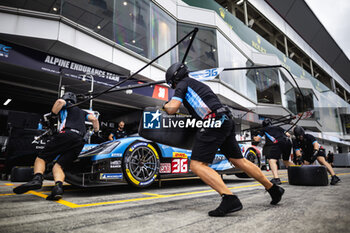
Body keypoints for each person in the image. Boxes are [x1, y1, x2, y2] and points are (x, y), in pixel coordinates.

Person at [163, 62, 284, 217]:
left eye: (172, 84)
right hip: (225, 119)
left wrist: (166, 105)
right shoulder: (198, 85)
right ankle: (273, 189)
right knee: (238, 161)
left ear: (175, 78)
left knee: (197, 165)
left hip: (213, 120)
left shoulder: (183, 84)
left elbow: (172, 108)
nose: (173, 86)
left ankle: (229, 198)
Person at [13, 92, 99, 200]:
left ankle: (37, 179)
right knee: (58, 166)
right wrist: (96, 131)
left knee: (41, 158)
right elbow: (94, 119)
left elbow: (60, 102)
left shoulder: (67, 104)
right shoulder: (82, 112)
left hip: (67, 134)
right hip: (79, 141)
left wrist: (53, 115)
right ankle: (58, 189)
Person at [253, 118, 294, 185]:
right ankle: (298, 173)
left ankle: (276, 179)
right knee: (286, 161)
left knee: (272, 161)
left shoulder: (264, 129)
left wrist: (254, 137)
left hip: (277, 143)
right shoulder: (278, 127)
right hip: (287, 143)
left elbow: (257, 139)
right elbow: (288, 134)